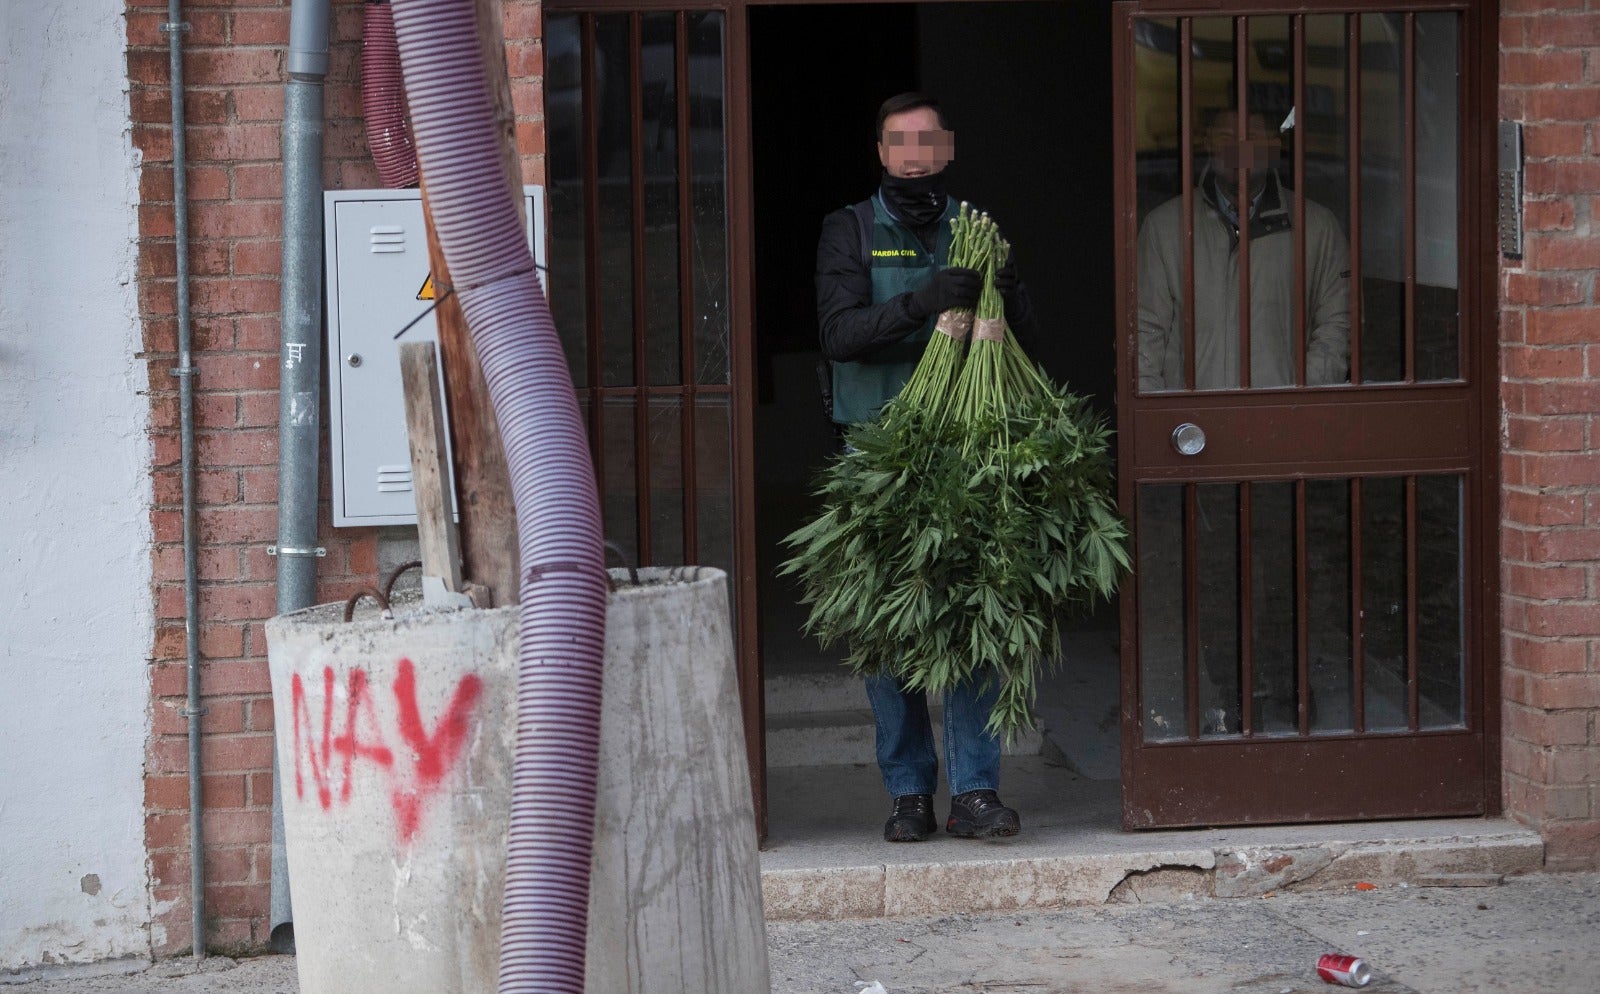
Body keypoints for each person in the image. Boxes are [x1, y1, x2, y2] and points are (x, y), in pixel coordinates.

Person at [814, 92, 1038, 842]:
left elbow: (1033, 332)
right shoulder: (847, 229)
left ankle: (975, 792)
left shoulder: (978, 229)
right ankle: (908, 791)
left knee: (975, 620)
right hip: (876, 455)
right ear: (881, 153)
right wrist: (921, 302)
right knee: (889, 632)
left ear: (947, 149)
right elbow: (840, 335)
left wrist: (1011, 303)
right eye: (898, 141)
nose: (913, 153)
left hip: (968, 450)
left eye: (926, 140)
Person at [1136, 108, 1350, 392]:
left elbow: (1337, 327)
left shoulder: (1317, 227)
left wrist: (1297, 405)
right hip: (1192, 426)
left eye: (1252, 138)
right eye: (1226, 137)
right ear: (1208, 144)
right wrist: (1163, 417)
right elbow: (1144, 330)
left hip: (1284, 422)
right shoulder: (1164, 227)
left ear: (1273, 146)